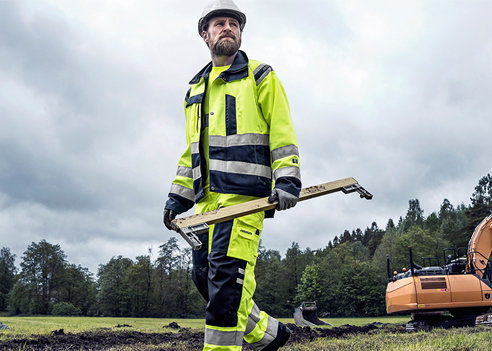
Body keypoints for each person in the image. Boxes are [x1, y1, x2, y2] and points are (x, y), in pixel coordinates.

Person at [163, 1, 301, 350]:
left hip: (244, 201)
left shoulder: (260, 76)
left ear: (240, 33)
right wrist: (176, 197)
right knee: (203, 278)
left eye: (233, 24)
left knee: (226, 287)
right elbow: (191, 151)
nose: (227, 27)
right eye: (219, 23)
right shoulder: (194, 90)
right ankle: (269, 335)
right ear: (205, 34)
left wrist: (287, 180)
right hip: (206, 206)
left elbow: (281, 132)